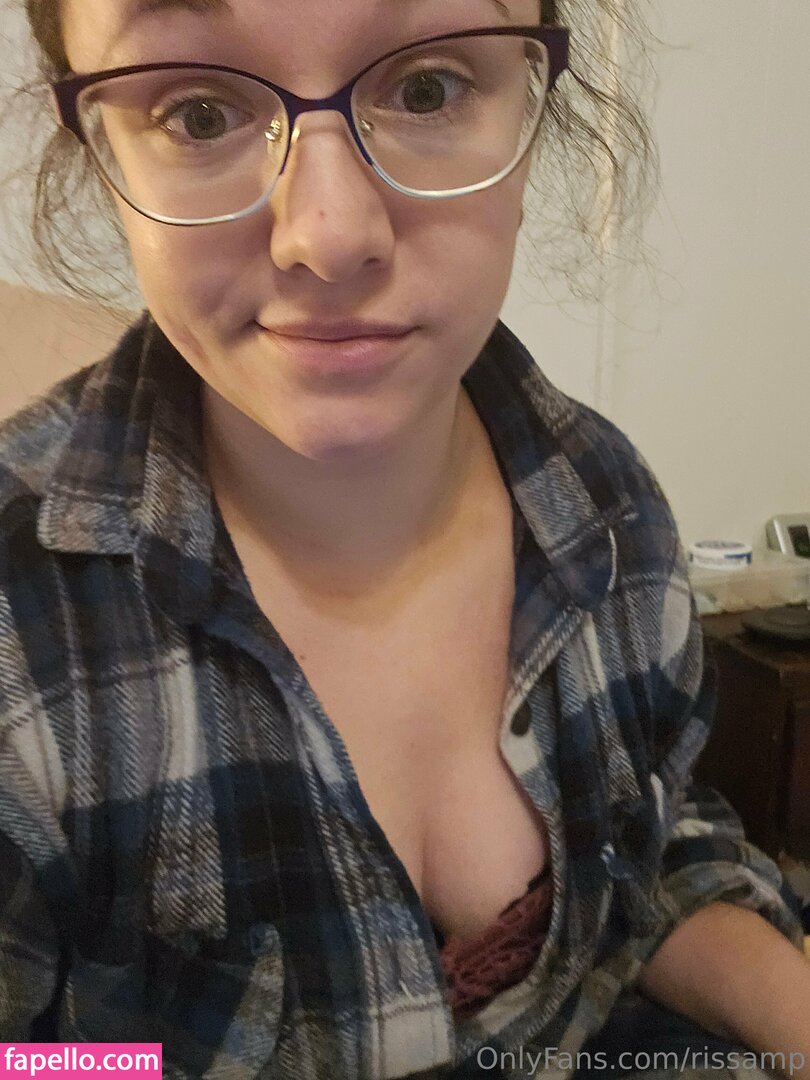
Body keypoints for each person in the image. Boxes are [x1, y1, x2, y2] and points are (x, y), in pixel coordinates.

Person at [0, 0, 808, 1076]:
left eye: (427, 89)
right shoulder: (23, 632)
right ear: (98, 151)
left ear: (533, 104)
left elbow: (654, 855)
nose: (328, 236)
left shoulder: (607, 504)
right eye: (198, 113)